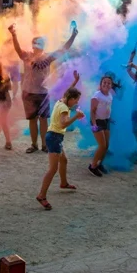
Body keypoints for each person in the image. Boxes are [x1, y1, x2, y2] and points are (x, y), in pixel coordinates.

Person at [9, 23, 78, 153]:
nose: (36, 46)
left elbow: (63, 49)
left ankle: (44, 145)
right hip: (28, 92)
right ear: (32, 45)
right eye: (34, 43)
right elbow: (18, 49)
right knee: (32, 120)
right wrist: (14, 35)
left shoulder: (47, 57)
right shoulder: (27, 56)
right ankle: (34, 144)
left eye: (38, 44)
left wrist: (73, 36)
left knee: (43, 120)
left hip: (43, 93)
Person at [36, 74, 85, 210]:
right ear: (71, 99)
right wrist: (76, 116)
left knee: (64, 160)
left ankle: (63, 183)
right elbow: (64, 124)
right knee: (53, 169)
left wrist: (75, 81)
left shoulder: (62, 100)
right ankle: (41, 195)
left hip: (54, 136)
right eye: (76, 101)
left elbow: (69, 91)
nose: (76, 103)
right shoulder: (64, 109)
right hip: (55, 138)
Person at [87, 75, 114, 177]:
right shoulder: (96, 96)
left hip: (106, 121)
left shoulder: (110, 95)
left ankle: (99, 164)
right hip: (97, 122)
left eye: (109, 83)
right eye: (104, 82)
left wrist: (109, 118)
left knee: (106, 146)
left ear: (111, 85)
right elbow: (92, 111)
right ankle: (93, 166)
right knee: (102, 145)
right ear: (101, 84)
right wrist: (94, 124)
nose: (106, 84)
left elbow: (107, 107)